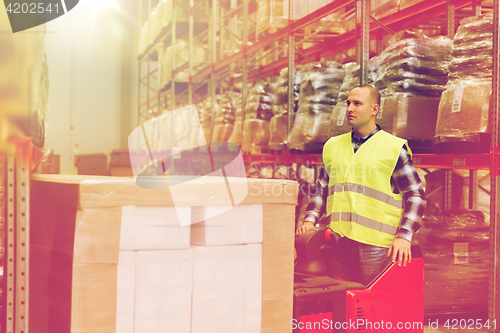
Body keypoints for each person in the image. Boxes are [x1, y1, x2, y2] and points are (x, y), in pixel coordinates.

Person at [296, 85, 426, 284]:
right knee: (343, 300)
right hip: (337, 243)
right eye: (348, 103)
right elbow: (322, 188)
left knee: (373, 303)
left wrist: (404, 236)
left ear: (374, 109)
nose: (350, 108)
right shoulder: (332, 146)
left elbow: (415, 195)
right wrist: (309, 220)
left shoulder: (393, 147)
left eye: (357, 104)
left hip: (375, 246)